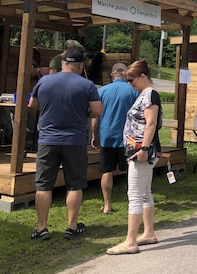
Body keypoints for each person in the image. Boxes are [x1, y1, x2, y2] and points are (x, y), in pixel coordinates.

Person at [28, 48, 103, 241]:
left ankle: (42, 227)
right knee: (74, 184)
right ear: (79, 66)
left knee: (43, 185)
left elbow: (32, 105)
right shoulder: (87, 84)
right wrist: (84, 114)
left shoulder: (44, 81)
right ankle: (71, 226)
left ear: (62, 65)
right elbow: (97, 110)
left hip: (47, 140)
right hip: (74, 140)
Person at [106, 60, 162, 255]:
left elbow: (151, 123)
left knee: (135, 195)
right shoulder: (144, 94)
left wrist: (145, 148)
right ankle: (148, 233)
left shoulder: (150, 95)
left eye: (131, 79)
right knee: (144, 192)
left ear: (143, 76)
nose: (130, 83)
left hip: (141, 151)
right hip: (137, 150)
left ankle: (130, 241)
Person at [91, 63, 140, 214]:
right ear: (126, 75)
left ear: (112, 75)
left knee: (107, 171)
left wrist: (94, 134)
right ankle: (134, 204)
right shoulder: (133, 90)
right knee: (133, 170)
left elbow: (95, 115)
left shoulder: (102, 91)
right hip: (129, 137)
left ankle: (107, 205)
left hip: (108, 136)